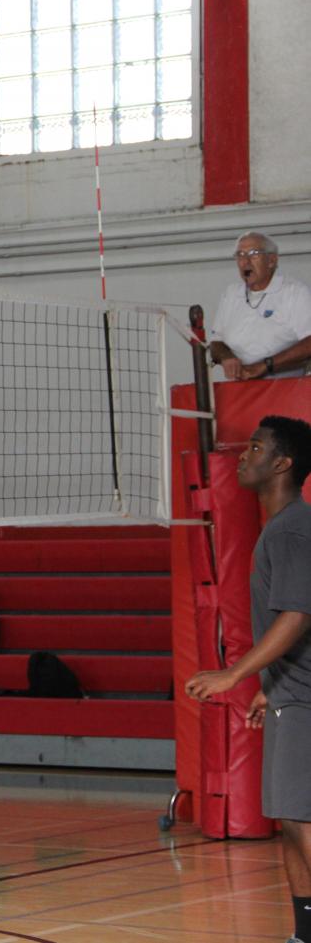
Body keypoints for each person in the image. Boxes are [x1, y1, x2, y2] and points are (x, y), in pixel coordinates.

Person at [186, 415, 311, 943]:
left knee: (305, 825)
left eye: (256, 447)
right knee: (291, 823)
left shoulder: (292, 529)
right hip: (290, 696)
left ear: (281, 464)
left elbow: (297, 615)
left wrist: (234, 674)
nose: (243, 455)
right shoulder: (280, 528)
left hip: (306, 704)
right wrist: (267, 686)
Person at [208, 232, 311, 380]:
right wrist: (226, 357)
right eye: (240, 255)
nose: (246, 262)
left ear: (271, 260)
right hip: (242, 388)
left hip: (287, 389)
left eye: (254, 254)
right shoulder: (231, 294)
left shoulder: (294, 292)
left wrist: (265, 365)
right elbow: (216, 343)